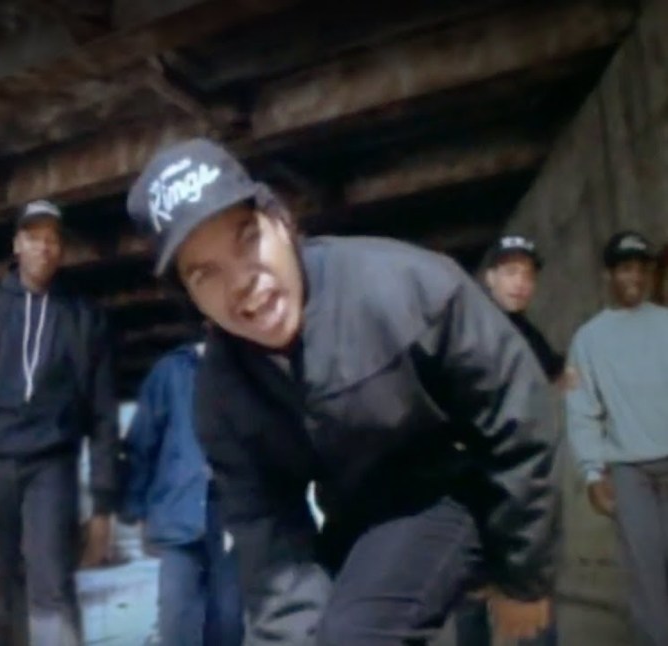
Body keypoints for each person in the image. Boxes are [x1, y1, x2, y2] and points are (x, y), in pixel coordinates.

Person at [124, 137, 559, 645]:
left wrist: (524, 575)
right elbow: (269, 538)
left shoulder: (404, 290)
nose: (241, 281)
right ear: (191, 299)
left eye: (247, 239)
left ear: (282, 222)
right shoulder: (222, 394)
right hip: (356, 515)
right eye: (206, 274)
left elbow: (518, 416)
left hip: (456, 485)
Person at [0, 200, 119, 646]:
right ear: (17, 245)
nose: (44, 248)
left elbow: (103, 417)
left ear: (62, 250)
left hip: (51, 469)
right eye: (34, 238)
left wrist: (103, 509)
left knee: (52, 591)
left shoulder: (84, 318)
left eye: (53, 240)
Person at [453, 235, 568, 646]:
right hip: (475, 485)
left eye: (528, 275)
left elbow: (556, 373)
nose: (520, 283)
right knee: (473, 597)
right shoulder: (469, 326)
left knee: (530, 594)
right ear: (490, 277)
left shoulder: (529, 335)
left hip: (522, 485)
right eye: (511, 272)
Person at [564, 231, 668, 646]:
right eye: (625, 268)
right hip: (629, 472)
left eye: (641, 269)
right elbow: (581, 409)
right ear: (608, 275)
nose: (634, 277)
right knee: (646, 572)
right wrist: (592, 473)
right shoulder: (588, 339)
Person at [119, 337, 244, 646]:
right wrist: (136, 508)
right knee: (177, 616)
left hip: (235, 513)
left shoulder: (249, 370)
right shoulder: (172, 371)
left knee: (229, 618)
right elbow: (142, 442)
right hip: (178, 509)